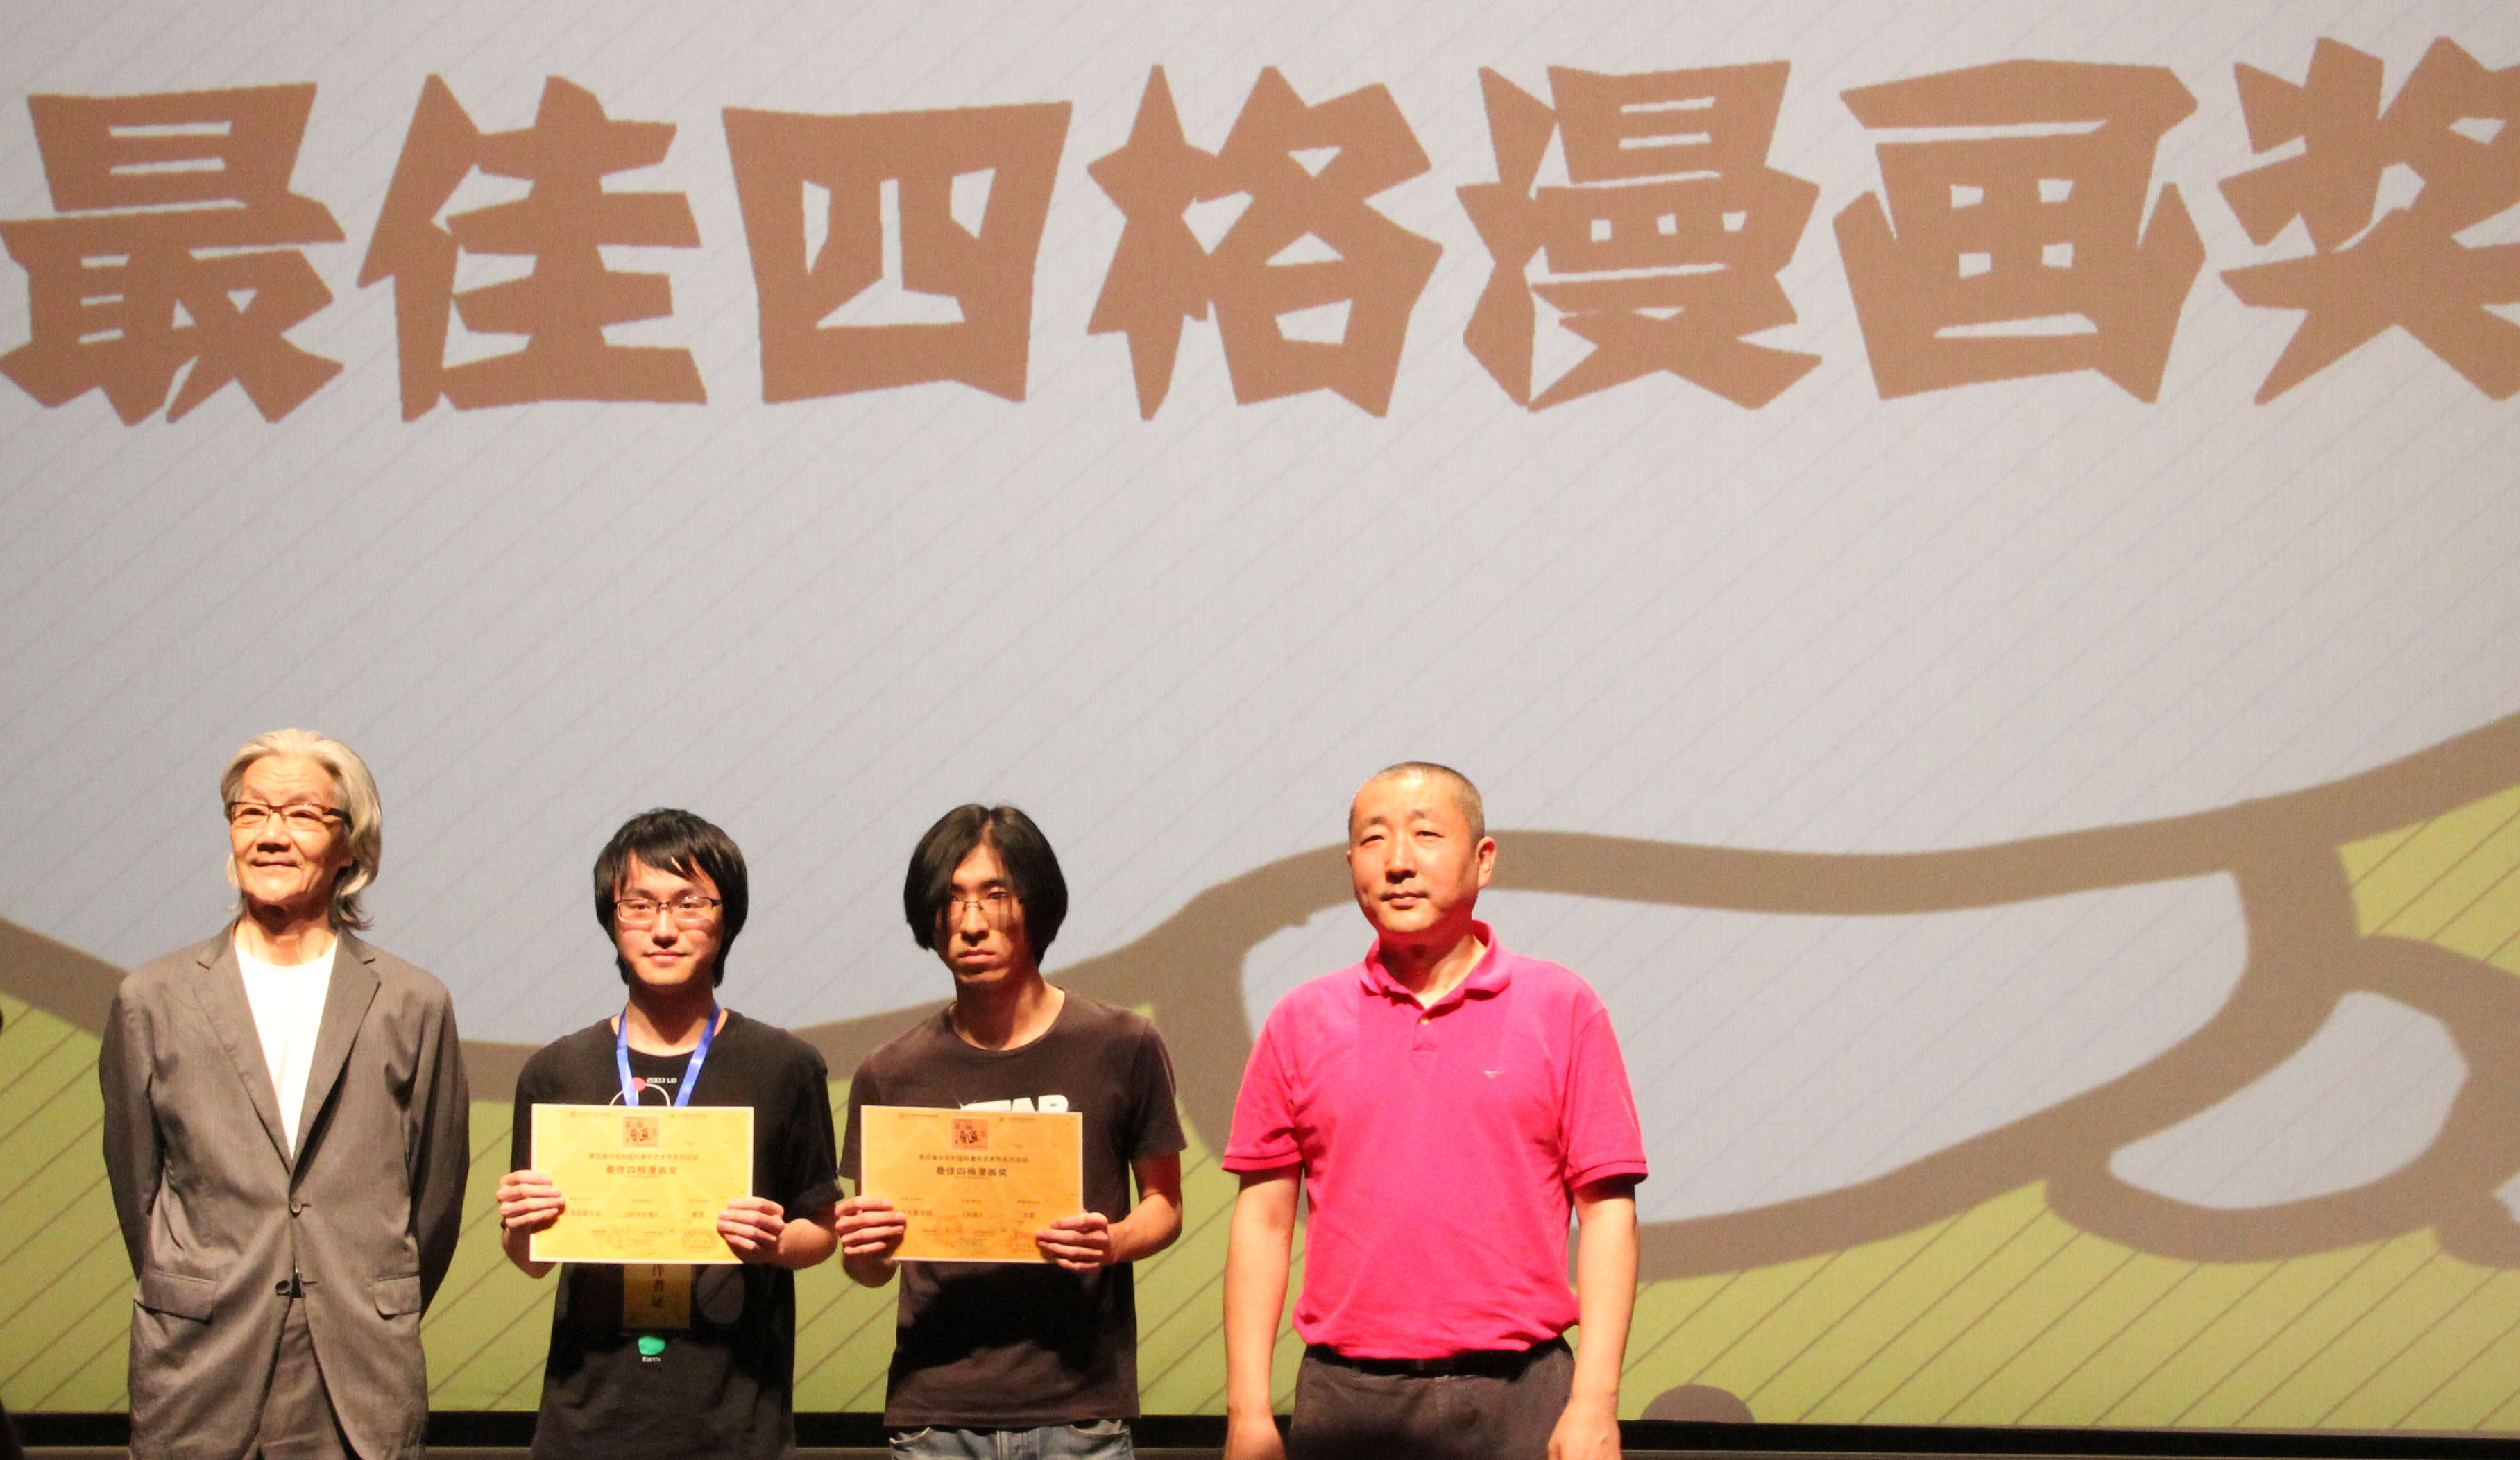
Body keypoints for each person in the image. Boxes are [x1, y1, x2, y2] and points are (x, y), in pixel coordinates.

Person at [1220, 763, 1649, 1460]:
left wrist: (1595, 1403)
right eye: (1373, 839)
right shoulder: (1301, 1019)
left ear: (1483, 859)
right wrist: (1246, 1413)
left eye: (1424, 834)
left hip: (1521, 1396)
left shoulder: (1562, 1007)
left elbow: (1607, 1217)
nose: (1397, 862)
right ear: (1351, 864)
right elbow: (1263, 1222)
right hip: (1345, 1399)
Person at [100, 729, 470, 1460]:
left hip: (357, 1372)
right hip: (199, 1368)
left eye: (301, 814)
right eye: (251, 813)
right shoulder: (152, 998)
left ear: (351, 846)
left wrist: (361, 1298)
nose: (271, 836)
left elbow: (435, 1199)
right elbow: (137, 1186)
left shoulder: (412, 1002)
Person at [835, 804, 1186, 1458]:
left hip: (1080, 1410)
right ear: (929, 918)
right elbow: (869, 1268)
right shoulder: (891, 1071)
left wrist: (1111, 1242)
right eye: (951, 900)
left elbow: (1165, 1206)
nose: (972, 923)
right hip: (936, 1415)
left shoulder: (1120, 1044)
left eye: (996, 896)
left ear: (1037, 904)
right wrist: (864, 1249)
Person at [495, 810, 840, 1459]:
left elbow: (821, 1230)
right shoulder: (557, 1071)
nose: (662, 928)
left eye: (689, 903)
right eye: (639, 905)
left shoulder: (785, 1066)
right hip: (587, 1421)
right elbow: (532, 1259)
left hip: (738, 1420)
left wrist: (774, 1242)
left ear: (728, 917)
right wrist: (522, 1225)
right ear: (611, 919)